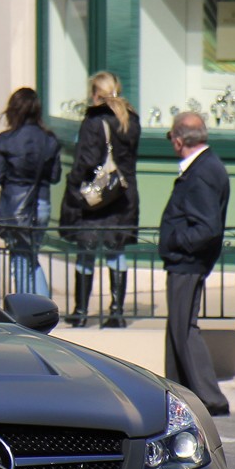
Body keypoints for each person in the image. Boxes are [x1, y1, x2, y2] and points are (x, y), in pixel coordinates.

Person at [160, 112, 231, 417]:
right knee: (177, 327)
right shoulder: (204, 167)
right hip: (185, 262)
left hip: (188, 262)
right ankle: (175, 390)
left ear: (178, 140)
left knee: (184, 328)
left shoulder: (202, 171)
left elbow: (207, 228)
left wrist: (175, 240)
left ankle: (209, 397)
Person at [59, 72, 141, 328]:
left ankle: (81, 310)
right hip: (123, 192)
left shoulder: (95, 120)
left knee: (86, 251)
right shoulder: (130, 118)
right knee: (116, 250)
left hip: (97, 195)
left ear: (96, 93)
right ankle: (116, 311)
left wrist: (73, 183)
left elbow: (86, 159)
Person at [0, 87, 61, 296]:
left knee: (21, 261)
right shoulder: (50, 139)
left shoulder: (6, 139)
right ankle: (43, 308)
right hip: (41, 203)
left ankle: (29, 315)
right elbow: (55, 176)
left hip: (15, 205)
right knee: (30, 257)